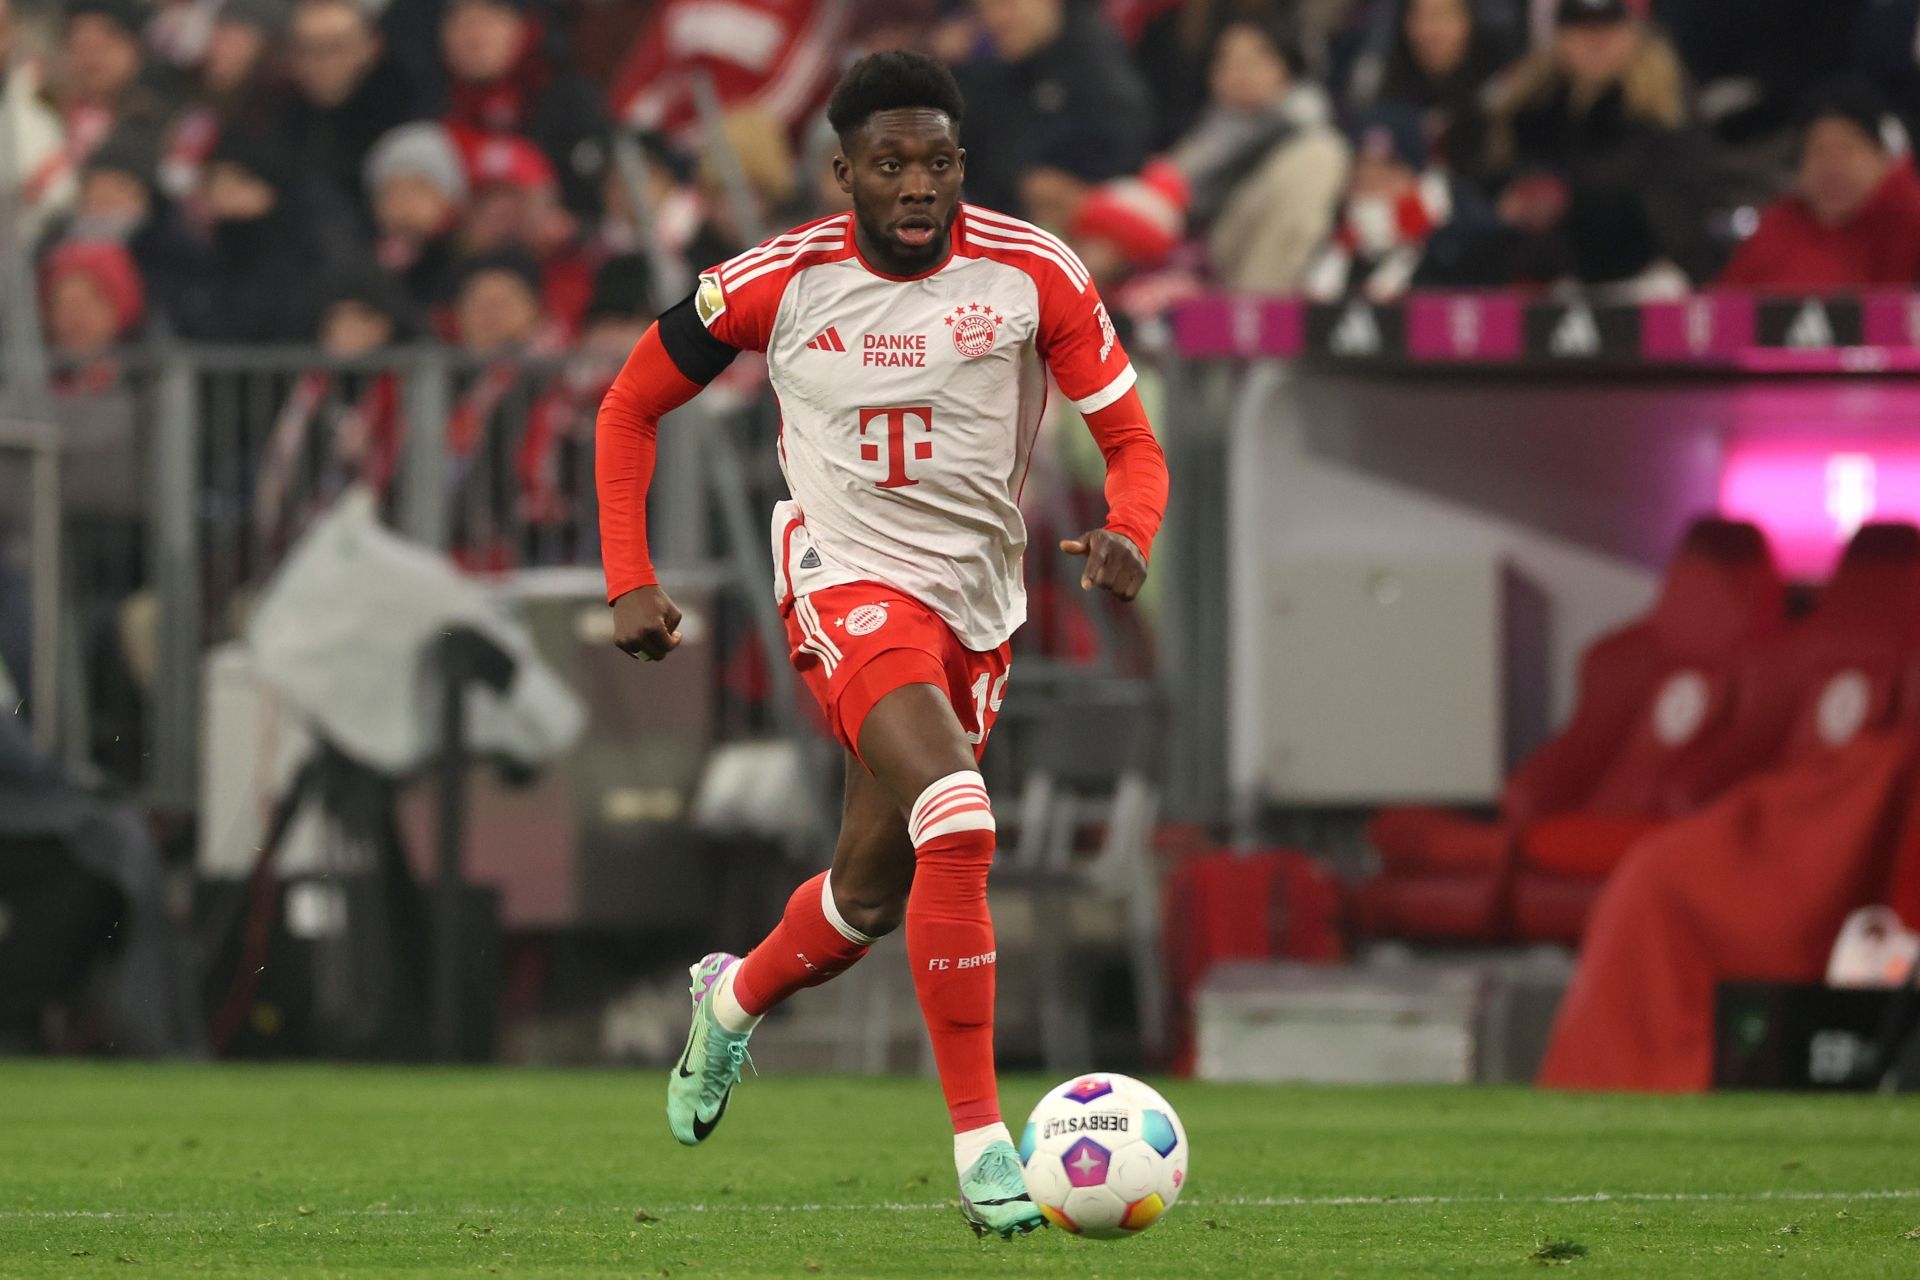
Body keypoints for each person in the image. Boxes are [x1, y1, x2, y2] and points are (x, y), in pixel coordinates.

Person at [594, 51, 1167, 1238]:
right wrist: (629, 581)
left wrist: (1128, 530)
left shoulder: (1033, 272)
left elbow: (1134, 443)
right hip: (842, 582)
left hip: (975, 611)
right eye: (892, 162)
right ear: (841, 170)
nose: (919, 184)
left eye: (940, 161)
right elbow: (629, 402)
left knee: (867, 894)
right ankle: (981, 1145)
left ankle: (732, 996)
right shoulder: (776, 280)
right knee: (958, 814)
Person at [953, 0, 1155, 217]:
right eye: (983, 9)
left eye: (1006, 4)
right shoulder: (994, 75)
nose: (994, 20)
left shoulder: (1100, 81)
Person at [1719, 81, 1920, 290]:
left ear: (1884, 157)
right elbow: (1723, 309)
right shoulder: (1779, 229)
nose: (1832, 166)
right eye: (1818, 150)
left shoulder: (1910, 223)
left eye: (1847, 148)